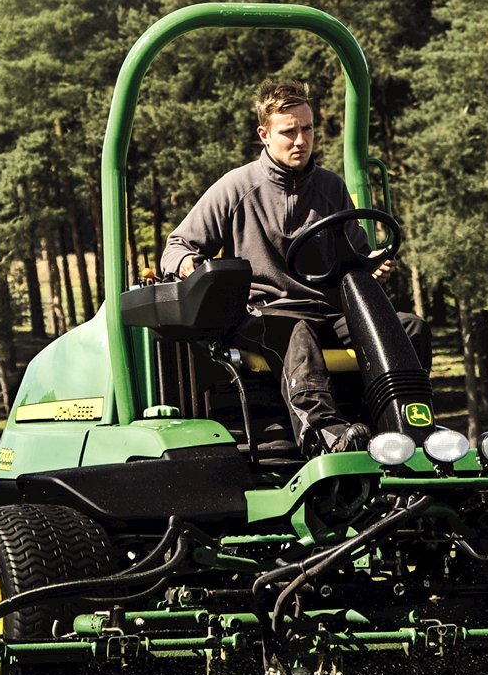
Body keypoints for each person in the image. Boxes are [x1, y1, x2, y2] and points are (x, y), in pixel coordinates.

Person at [159, 78, 421, 455]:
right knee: (295, 331)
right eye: (289, 132)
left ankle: (401, 427)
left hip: (329, 312)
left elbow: (357, 256)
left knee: (408, 329)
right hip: (266, 313)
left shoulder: (330, 188)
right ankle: (326, 435)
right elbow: (177, 246)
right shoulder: (237, 188)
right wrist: (191, 266)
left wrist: (372, 268)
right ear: (264, 134)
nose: (301, 140)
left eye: (308, 129)